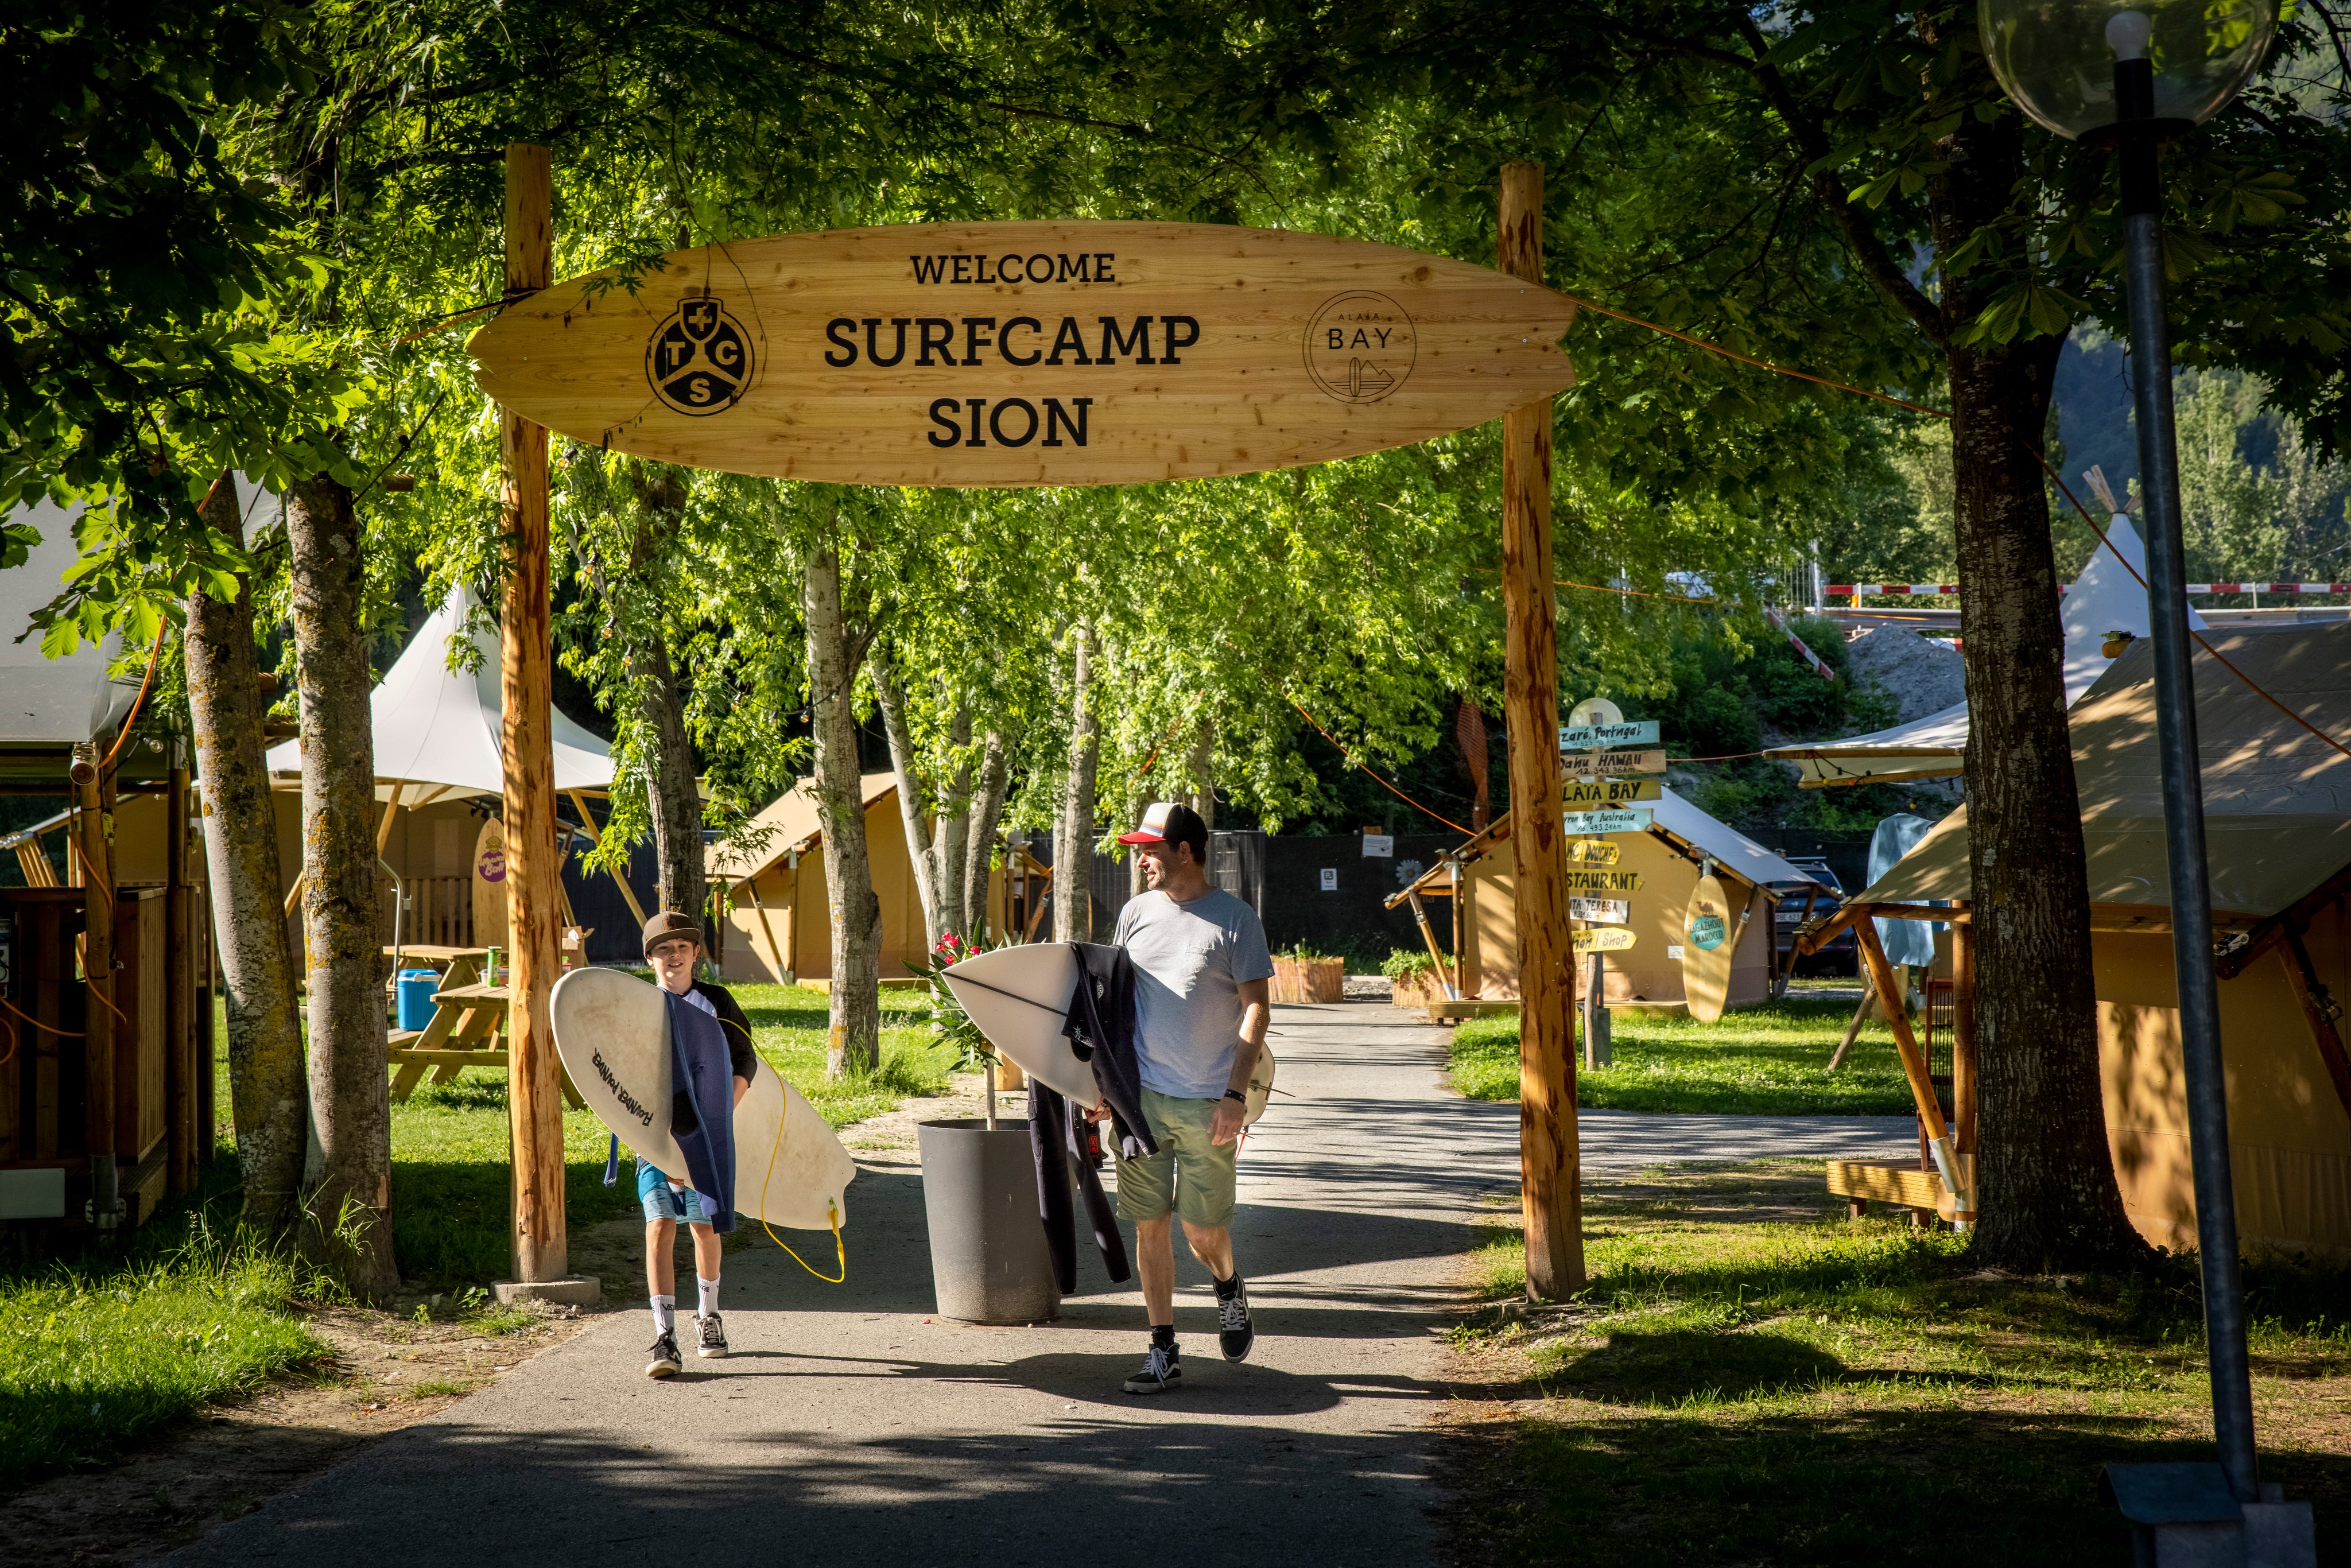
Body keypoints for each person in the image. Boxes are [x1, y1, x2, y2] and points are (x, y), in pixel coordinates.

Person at [1103, 801, 1274, 1395]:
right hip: (1141, 1101)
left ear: (1185, 850)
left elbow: (1257, 1009)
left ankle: (1226, 1282)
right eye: (1139, 850)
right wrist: (1101, 1087)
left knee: (1202, 1230)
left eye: (1150, 849)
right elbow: (1113, 1005)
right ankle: (1163, 1349)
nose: (1141, 859)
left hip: (1209, 1104)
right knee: (1149, 1225)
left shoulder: (1234, 920)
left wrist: (1235, 1095)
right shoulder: (1135, 913)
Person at [637, 910, 756, 1378]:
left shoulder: (716, 1001)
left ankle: (709, 1317)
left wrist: (719, 1114)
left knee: (704, 1228)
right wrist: (649, 1134)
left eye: (682, 947)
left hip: (705, 1136)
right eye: (664, 949)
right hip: (653, 1135)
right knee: (660, 1226)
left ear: (695, 954)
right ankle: (664, 1336)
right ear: (650, 958)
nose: (674, 955)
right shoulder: (639, 1004)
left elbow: (744, 1060)